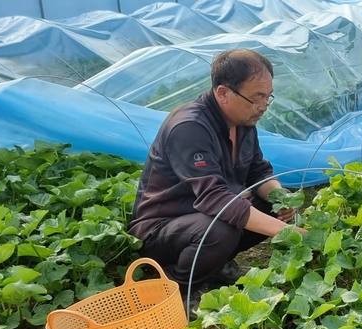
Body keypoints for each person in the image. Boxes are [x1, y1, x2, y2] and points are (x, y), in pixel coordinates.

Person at [128, 48, 304, 307]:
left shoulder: (244, 122)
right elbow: (214, 198)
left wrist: (282, 199)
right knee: (220, 230)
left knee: (270, 204)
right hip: (163, 229)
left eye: (268, 97)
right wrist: (287, 232)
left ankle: (215, 266)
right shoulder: (189, 127)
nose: (263, 107)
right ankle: (177, 287)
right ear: (223, 92)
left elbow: (258, 172)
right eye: (256, 98)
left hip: (204, 216)